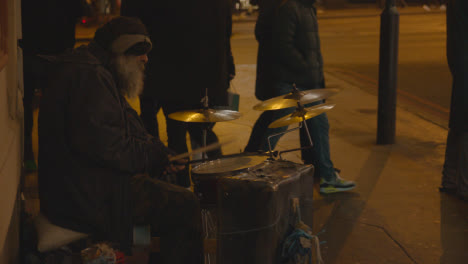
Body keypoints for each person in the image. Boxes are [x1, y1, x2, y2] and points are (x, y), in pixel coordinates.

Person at [38, 17, 204, 262]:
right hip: (80, 196)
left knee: (163, 185)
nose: (145, 59)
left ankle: (141, 250)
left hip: (83, 183)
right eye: (140, 52)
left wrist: (159, 153)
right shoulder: (89, 78)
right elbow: (110, 148)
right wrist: (153, 155)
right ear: (119, 51)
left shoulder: (97, 70)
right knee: (185, 205)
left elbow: (128, 126)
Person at [244, 0, 355, 194]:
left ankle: (327, 177)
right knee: (279, 124)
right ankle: (253, 167)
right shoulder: (289, 8)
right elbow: (283, 46)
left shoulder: (307, 8)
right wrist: (305, 68)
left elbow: (312, 49)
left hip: (306, 81)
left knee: (319, 125)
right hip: (291, 80)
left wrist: (316, 73)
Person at [120, 0, 235, 187]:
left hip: (172, 73)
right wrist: (227, 65)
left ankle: (182, 184)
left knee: (179, 130)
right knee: (196, 129)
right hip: (203, 73)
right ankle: (215, 180)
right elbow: (224, 32)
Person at [20, 0, 85, 171]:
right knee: (59, 107)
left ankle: (28, 154)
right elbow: (83, 11)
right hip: (60, 56)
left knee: (27, 104)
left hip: (31, 53)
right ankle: (55, 156)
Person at [439, 0, 468, 201]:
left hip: (460, 62)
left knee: (459, 121)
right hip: (464, 62)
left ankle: (450, 179)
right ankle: (463, 184)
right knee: (464, 124)